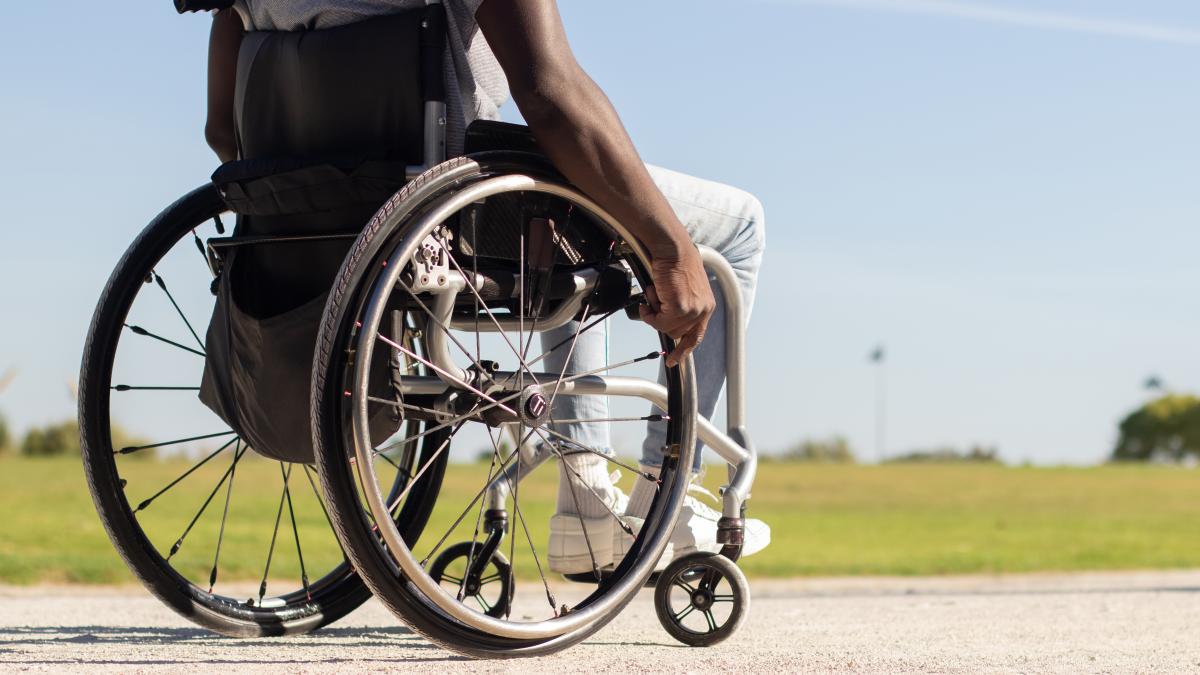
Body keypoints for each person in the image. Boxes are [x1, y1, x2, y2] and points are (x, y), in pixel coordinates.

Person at [206, 0, 770, 574]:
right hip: (442, 205)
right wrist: (671, 249)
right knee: (735, 224)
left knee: (562, 209)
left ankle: (587, 488)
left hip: (302, 219)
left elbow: (222, 130)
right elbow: (551, 95)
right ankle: (663, 492)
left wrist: (310, 198)